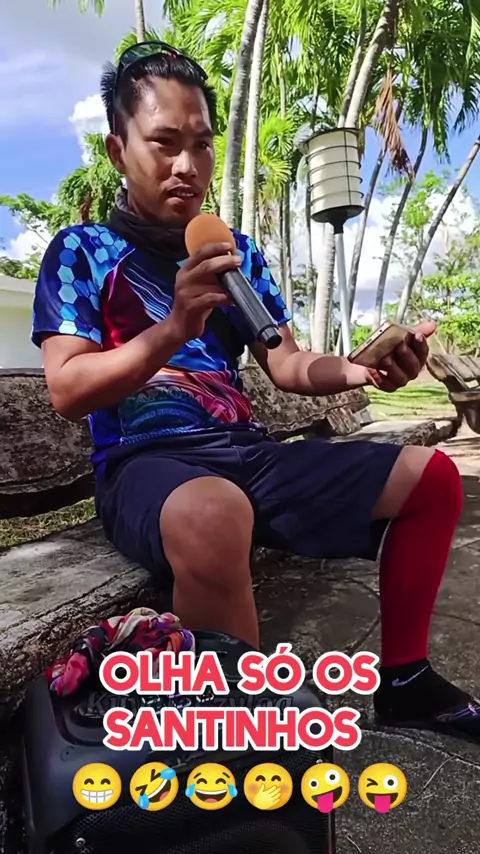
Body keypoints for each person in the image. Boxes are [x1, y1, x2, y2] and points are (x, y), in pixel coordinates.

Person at [32, 41, 479, 741]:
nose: (188, 165)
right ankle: (233, 735)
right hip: (146, 465)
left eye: (202, 145)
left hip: (246, 454)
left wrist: (360, 370)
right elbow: (68, 388)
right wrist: (174, 328)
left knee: (432, 478)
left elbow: (288, 364)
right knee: (215, 513)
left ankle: (406, 679)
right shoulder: (81, 251)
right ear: (119, 151)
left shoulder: (232, 254)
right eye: (165, 143)